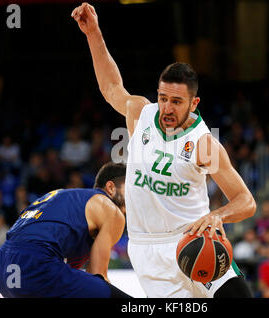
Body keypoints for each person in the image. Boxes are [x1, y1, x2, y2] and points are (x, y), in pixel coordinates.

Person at [72, 3, 256, 298]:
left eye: (177, 102)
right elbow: (110, 88)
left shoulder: (204, 144)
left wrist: (218, 215)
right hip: (147, 251)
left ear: (193, 104)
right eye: (163, 98)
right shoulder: (141, 114)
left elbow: (246, 201)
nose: (167, 108)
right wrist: (93, 33)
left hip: (194, 240)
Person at [0, 162, 131, 298]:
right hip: (35, 261)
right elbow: (97, 275)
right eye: (131, 188)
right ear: (111, 187)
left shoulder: (66, 197)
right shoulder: (111, 211)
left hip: (1, 266)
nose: (135, 197)